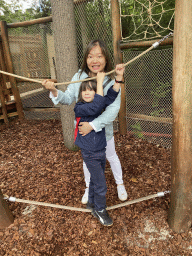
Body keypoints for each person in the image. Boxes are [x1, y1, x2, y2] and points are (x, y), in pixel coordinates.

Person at [42, 39, 128, 204]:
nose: (95, 60)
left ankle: (120, 183)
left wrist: (92, 126)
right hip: (83, 132)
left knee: (111, 156)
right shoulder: (78, 77)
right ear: (86, 59)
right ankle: (89, 187)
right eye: (90, 56)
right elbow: (67, 99)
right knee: (87, 160)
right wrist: (53, 89)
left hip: (104, 132)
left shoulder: (111, 81)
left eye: (99, 56)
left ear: (105, 59)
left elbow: (112, 111)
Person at [73, 67, 123, 226]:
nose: (87, 92)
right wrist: (99, 82)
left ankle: (92, 203)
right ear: (80, 93)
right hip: (90, 153)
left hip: (100, 149)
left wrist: (119, 78)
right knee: (101, 184)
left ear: (96, 92)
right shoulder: (79, 107)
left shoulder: (98, 102)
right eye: (84, 90)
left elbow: (110, 96)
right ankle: (100, 210)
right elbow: (96, 106)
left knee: (96, 179)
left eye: (91, 90)